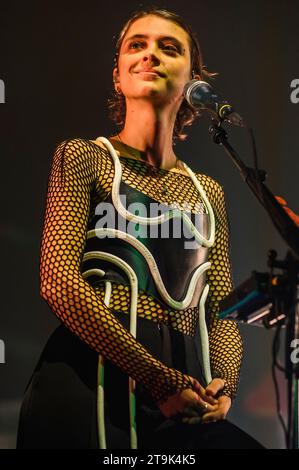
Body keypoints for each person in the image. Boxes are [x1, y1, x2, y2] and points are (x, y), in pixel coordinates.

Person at [17, 8, 264, 449]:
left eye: (169, 48)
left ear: (193, 81)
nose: (150, 55)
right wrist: (154, 375)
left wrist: (224, 381)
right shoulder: (83, 157)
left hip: (182, 385)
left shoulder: (208, 192)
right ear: (118, 75)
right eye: (137, 45)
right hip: (91, 377)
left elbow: (220, 311)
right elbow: (57, 281)